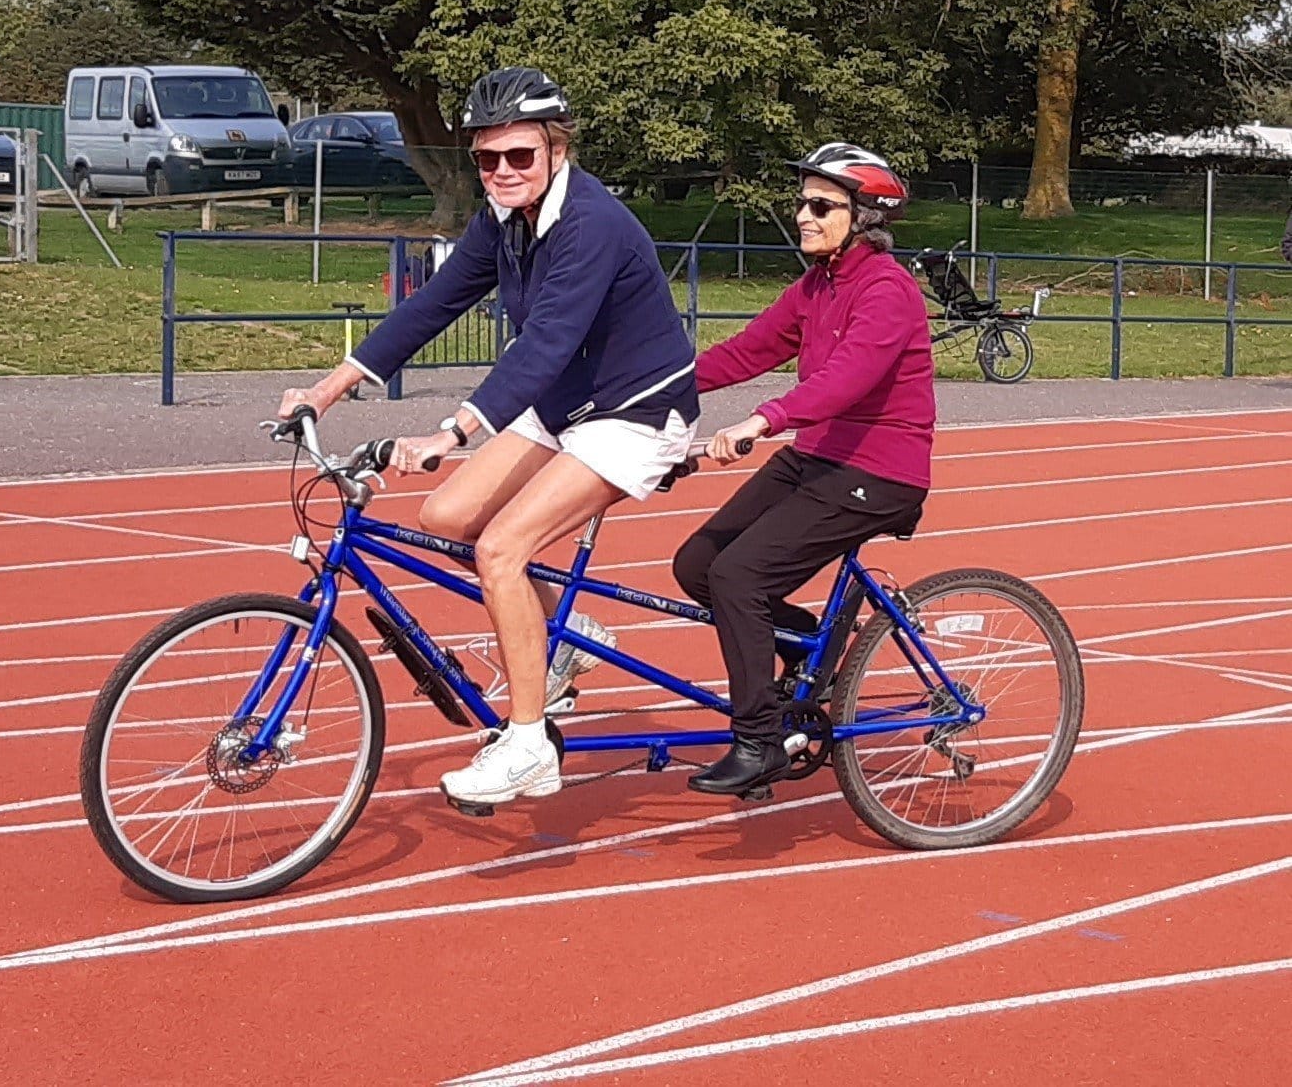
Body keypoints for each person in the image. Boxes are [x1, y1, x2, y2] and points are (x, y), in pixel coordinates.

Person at [279, 67, 698, 806]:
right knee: (447, 518)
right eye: (486, 158)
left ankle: (530, 744)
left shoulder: (591, 225)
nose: (502, 172)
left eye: (519, 157)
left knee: (501, 548)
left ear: (556, 150)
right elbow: (432, 305)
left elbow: (545, 345)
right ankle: (568, 641)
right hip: (569, 404)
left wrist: (454, 430)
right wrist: (327, 388)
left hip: (637, 412)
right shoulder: (503, 220)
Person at [672, 143, 936, 796]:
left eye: (821, 205)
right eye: (802, 203)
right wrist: (658, 387)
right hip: (819, 454)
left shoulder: (888, 289)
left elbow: (849, 379)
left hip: (879, 469)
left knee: (739, 576)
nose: (803, 216)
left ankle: (758, 740)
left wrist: (763, 420)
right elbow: (751, 348)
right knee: (698, 565)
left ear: (865, 216)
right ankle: (808, 641)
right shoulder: (816, 286)